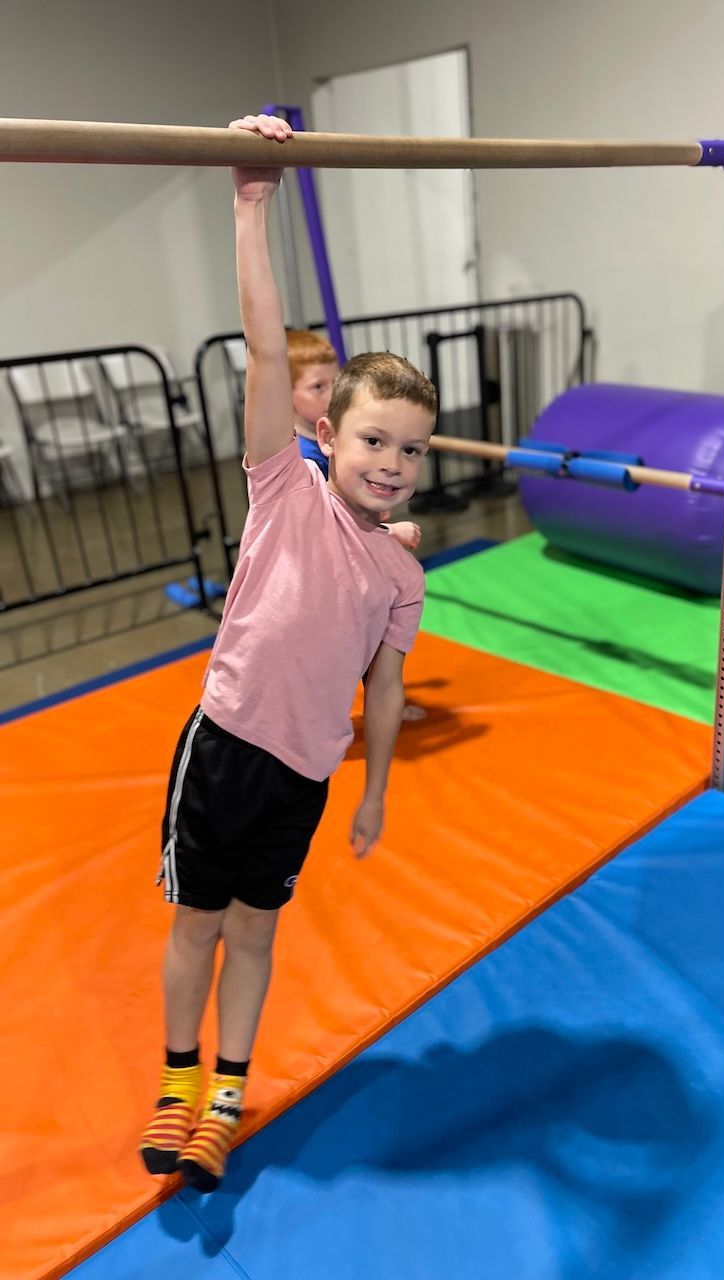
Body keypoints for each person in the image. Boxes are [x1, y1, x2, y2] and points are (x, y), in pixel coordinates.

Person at [138, 112, 437, 1192]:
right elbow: (270, 346)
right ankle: (175, 1085)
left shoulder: (403, 573)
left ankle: (224, 1096)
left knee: (255, 935)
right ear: (326, 436)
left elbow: (390, 686)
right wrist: (248, 201)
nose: (393, 462)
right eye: (372, 439)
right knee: (197, 924)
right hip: (224, 746)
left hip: (307, 772)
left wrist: (375, 791)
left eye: (412, 447)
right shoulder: (282, 486)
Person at [288, 329, 428, 721]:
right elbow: (323, 524)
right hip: (314, 575)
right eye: (317, 386)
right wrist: (386, 534)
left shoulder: (337, 442)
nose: (330, 393)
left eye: (334, 382)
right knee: (321, 655)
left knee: (373, 631)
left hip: (348, 568)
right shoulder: (298, 460)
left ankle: (381, 701)